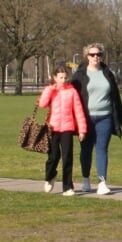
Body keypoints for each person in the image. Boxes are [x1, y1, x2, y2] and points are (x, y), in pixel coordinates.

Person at [71, 43, 122, 195]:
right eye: (92, 54)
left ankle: (102, 182)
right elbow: (72, 96)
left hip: (105, 117)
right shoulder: (79, 74)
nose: (96, 57)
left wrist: (120, 116)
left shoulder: (107, 73)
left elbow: (115, 96)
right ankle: (86, 180)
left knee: (102, 149)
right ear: (87, 56)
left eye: (99, 54)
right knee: (86, 150)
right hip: (86, 119)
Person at [38, 67, 88, 195]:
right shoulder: (51, 90)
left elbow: (79, 111)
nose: (63, 80)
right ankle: (50, 176)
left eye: (65, 77)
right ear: (55, 78)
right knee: (53, 157)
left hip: (67, 128)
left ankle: (67, 187)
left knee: (67, 158)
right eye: (61, 77)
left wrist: (82, 130)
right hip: (53, 128)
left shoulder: (72, 91)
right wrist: (50, 89)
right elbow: (42, 104)